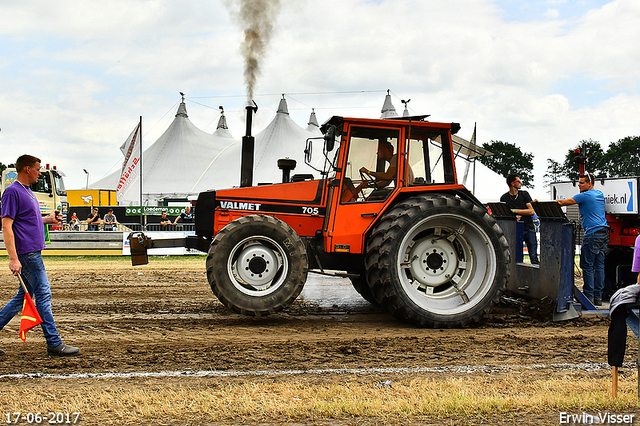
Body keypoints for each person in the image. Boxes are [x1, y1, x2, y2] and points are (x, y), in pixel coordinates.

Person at [0, 154, 80, 357]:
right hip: (27, 255)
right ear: (27, 169)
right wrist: (13, 258)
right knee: (43, 296)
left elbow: (27, 220)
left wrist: (48, 219)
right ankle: (53, 342)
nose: (40, 172)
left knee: (21, 298)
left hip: (31, 253)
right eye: (38, 168)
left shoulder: (28, 191)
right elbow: (7, 227)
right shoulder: (12, 192)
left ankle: (53, 342)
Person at [557, 173, 609, 306]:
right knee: (599, 265)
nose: (579, 185)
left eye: (581, 183)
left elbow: (563, 202)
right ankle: (598, 297)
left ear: (589, 184)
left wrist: (541, 204)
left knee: (587, 265)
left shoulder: (584, 195)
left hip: (592, 233)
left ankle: (588, 297)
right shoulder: (599, 194)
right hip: (603, 233)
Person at [500, 173, 539, 265]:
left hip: (528, 228)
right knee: (515, 256)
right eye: (518, 181)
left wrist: (514, 211)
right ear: (513, 184)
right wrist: (514, 217)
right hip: (514, 230)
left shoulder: (524, 194)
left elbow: (531, 211)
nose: (521, 183)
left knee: (533, 255)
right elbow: (504, 214)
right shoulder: (504, 197)